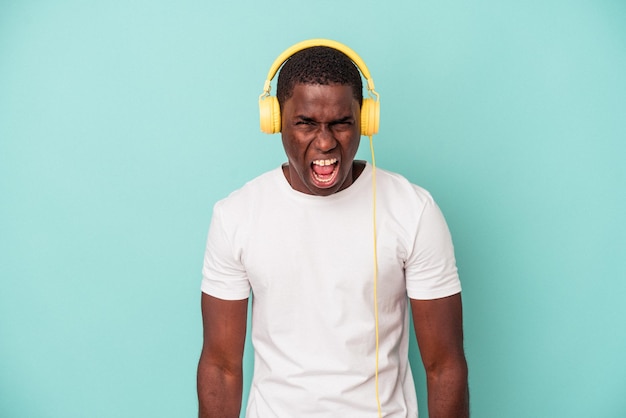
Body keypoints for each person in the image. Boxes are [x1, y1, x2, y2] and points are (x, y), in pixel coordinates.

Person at [197, 41, 469, 418]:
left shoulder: (413, 210)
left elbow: (444, 366)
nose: (325, 142)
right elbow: (221, 367)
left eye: (341, 123)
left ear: (365, 120)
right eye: (306, 123)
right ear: (275, 121)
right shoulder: (236, 215)